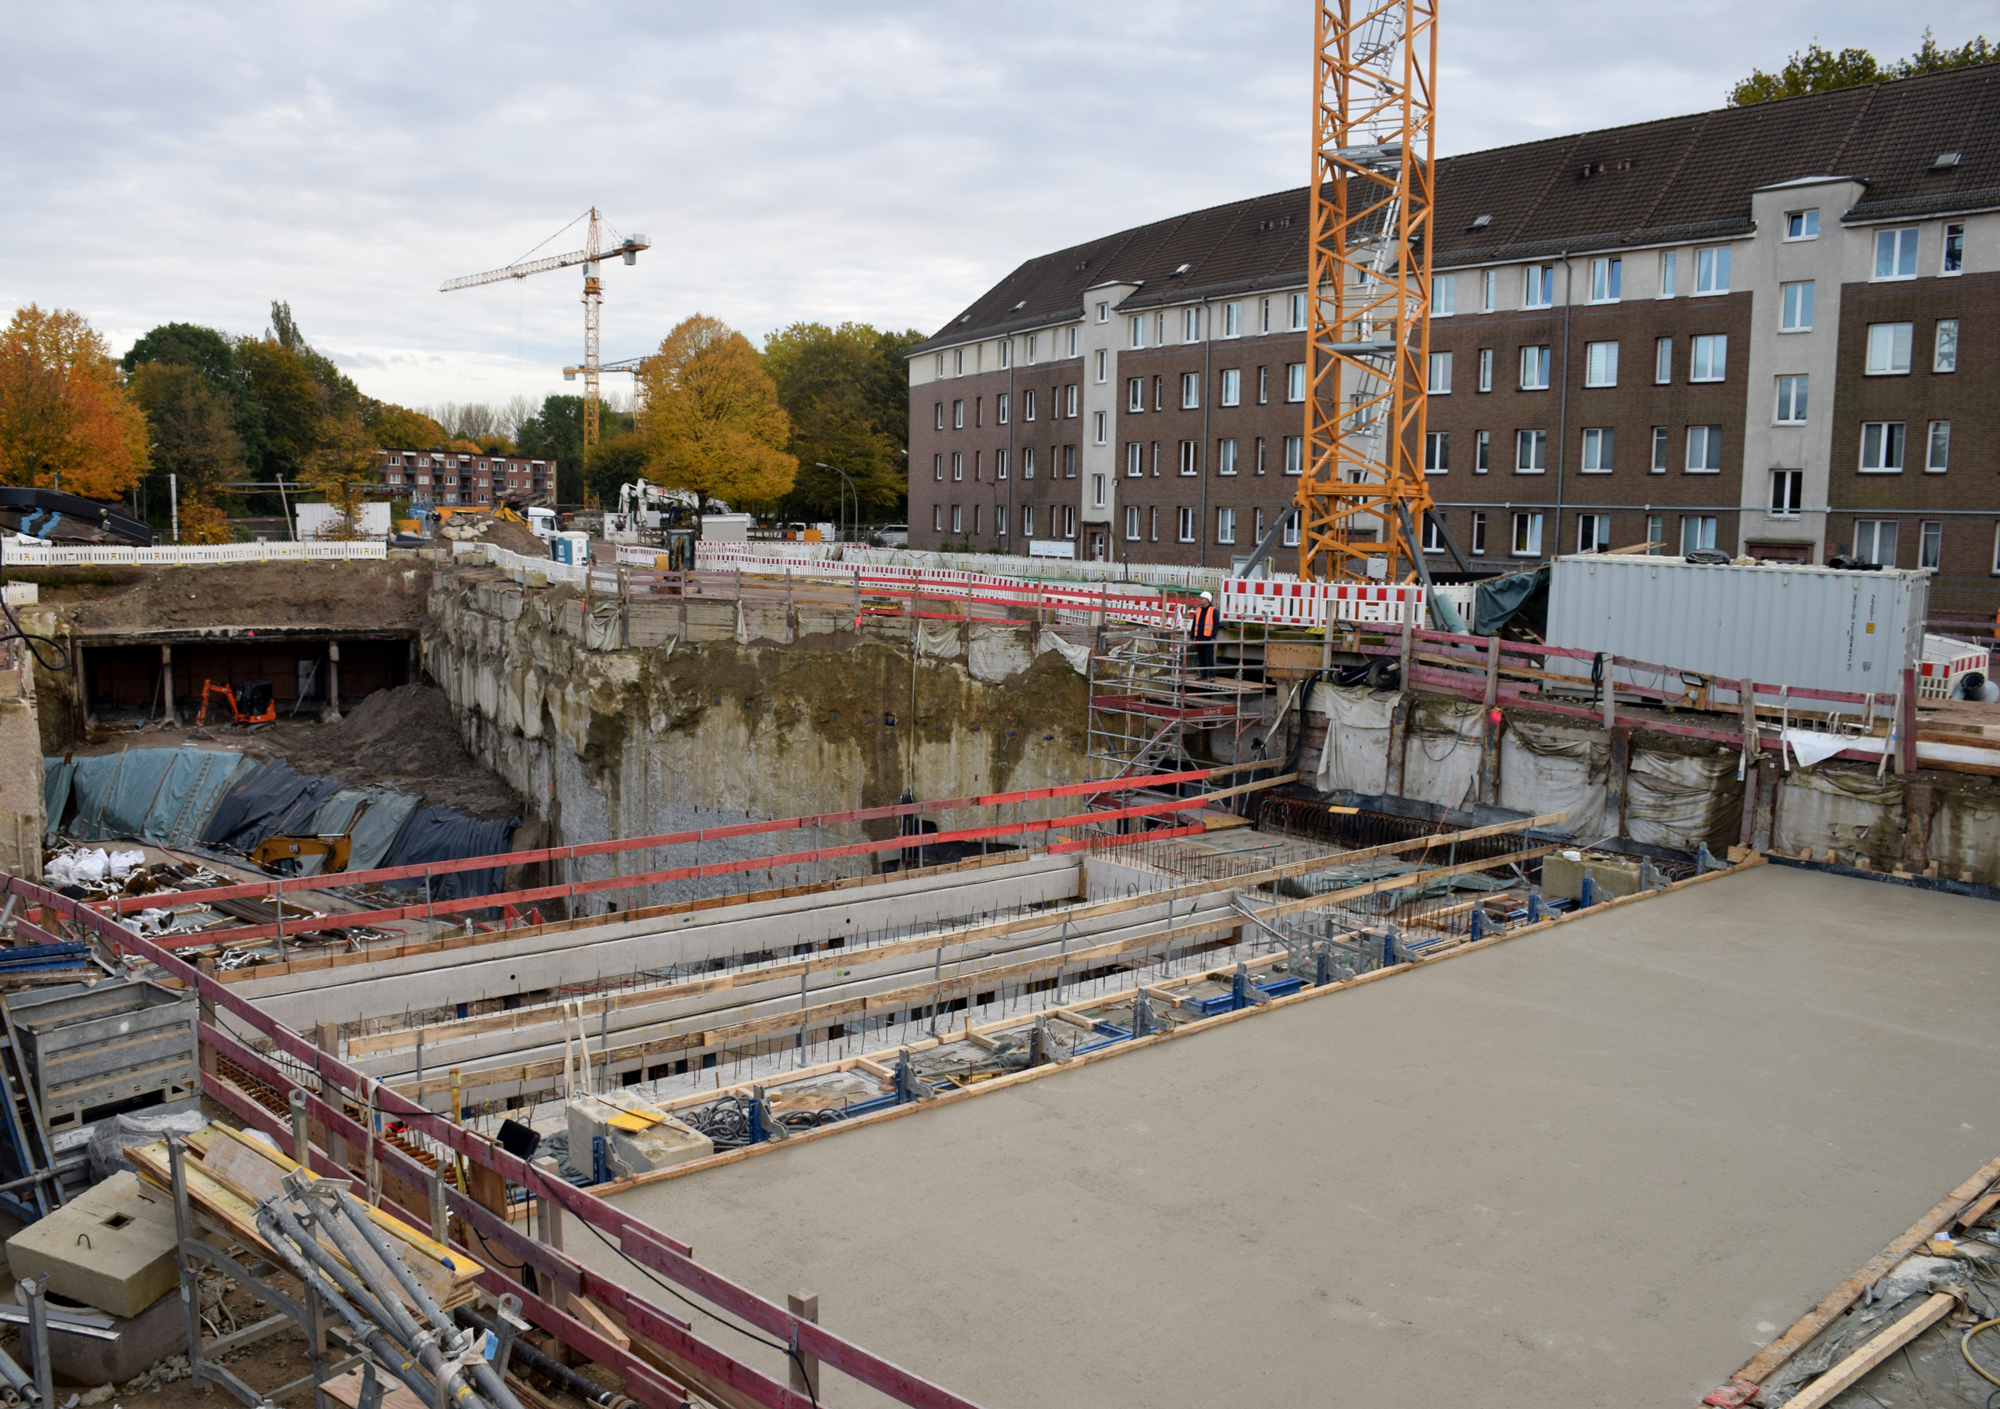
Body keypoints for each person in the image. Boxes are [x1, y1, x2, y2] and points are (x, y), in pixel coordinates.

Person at [1189, 590, 1218, 679]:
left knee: (1209, 657)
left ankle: (1212, 676)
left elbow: (1216, 624)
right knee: (1200, 657)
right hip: (1199, 637)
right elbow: (1194, 624)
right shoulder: (1198, 610)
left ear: (1207, 600)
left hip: (1208, 638)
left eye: (1202, 598)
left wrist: (1213, 636)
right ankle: (1203, 675)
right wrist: (1192, 636)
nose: (1200, 600)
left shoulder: (1214, 611)